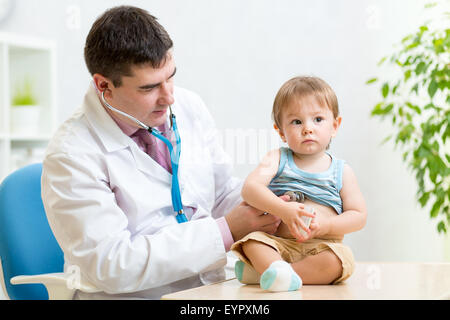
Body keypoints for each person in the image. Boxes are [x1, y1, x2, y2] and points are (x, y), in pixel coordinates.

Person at [41, 5, 283, 299]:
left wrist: (274, 200)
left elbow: (219, 195)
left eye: (171, 77)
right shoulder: (71, 154)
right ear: (104, 85)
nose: (169, 97)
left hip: (205, 293)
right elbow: (112, 265)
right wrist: (225, 232)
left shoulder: (187, 105)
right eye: (149, 88)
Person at [230, 76, 367, 292]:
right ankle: (275, 269)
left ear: (335, 125)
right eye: (296, 122)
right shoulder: (276, 158)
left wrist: (328, 226)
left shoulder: (342, 172)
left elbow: (358, 216)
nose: (307, 129)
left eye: (318, 119)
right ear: (281, 132)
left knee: (340, 260)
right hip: (279, 245)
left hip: (320, 247)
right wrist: (282, 209)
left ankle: (272, 273)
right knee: (252, 241)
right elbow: (250, 189)